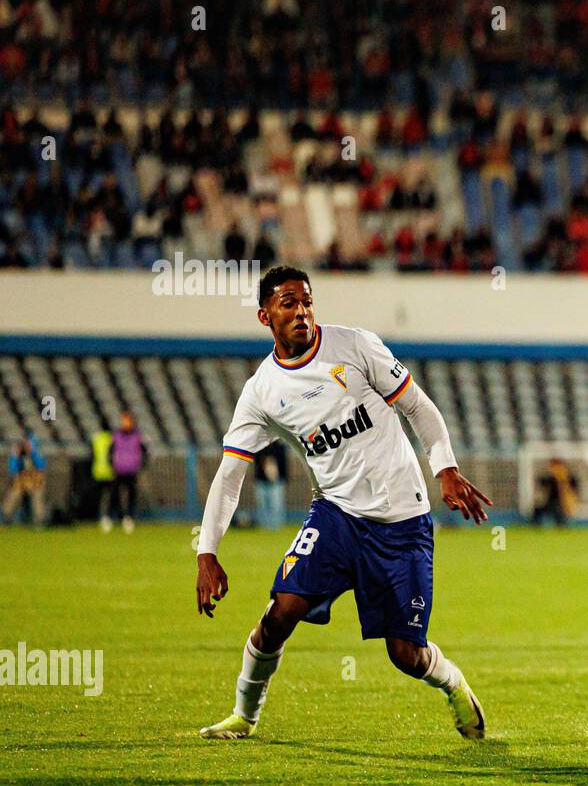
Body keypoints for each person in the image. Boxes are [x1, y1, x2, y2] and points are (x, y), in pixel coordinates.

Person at [195, 266, 493, 741]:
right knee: (282, 611)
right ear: (264, 316)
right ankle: (243, 716)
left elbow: (418, 406)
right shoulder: (261, 392)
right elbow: (230, 474)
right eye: (288, 303)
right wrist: (206, 552)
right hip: (337, 516)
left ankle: (453, 683)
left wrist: (446, 468)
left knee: (404, 655)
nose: (301, 312)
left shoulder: (354, 346)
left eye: (307, 301)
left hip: (402, 521)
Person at [110, 410, 147, 534]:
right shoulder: (116, 435)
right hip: (119, 469)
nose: (125, 423)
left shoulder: (137, 436)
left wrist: (141, 464)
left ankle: (129, 517)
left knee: (131, 495)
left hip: (132, 470)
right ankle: (118, 517)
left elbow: (144, 451)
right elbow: (110, 451)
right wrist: (112, 464)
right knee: (115, 495)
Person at [3, 434, 47, 526]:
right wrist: (15, 456)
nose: (26, 447)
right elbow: (13, 469)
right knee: (13, 495)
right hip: (22, 479)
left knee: (37, 498)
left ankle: (39, 521)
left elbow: (41, 466)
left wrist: (33, 453)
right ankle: (6, 517)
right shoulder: (18, 454)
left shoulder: (37, 453)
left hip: (36, 479)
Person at [532, 457, 578, 526]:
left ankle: (562, 524)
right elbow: (542, 488)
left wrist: (563, 481)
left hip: (564, 504)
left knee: (558, 511)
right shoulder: (549, 479)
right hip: (551, 503)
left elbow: (572, 494)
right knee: (537, 509)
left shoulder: (570, 478)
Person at [253, 441, 288, 530]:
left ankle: (276, 526)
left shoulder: (280, 447)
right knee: (262, 505)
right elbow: (256, 461)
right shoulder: (259, 446)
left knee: (276, 505)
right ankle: (265, 526)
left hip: (277, 481)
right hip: (261, 480)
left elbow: (284, 463)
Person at [91, 426, 115, 531]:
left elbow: (92, 454)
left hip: (97, 471)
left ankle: (98, 517)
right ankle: (106, 517)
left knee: (99, 496)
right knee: (109, 496)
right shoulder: (111, 438)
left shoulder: (96, 438)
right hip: (109, 471)